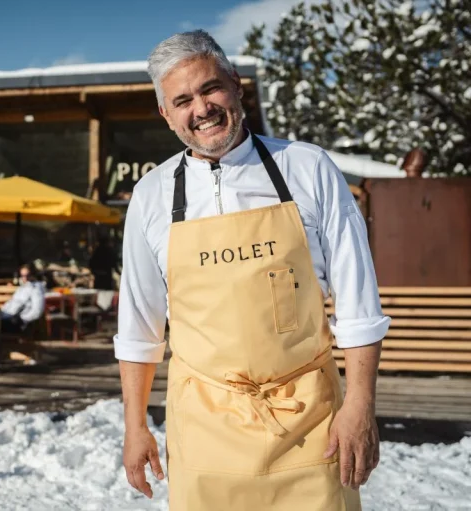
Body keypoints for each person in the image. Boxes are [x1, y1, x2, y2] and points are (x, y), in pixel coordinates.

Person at [116, 30, 388, 510]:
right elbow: (139, 326)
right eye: (182, 100)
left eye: (209, 89)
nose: (200, 109)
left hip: (310, 423)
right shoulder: (151, 196)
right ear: (165, 114)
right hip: (203, 426)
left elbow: (359, 303)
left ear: (236, 85)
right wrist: (135, 426)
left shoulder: (307, 168)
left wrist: (361, 405)